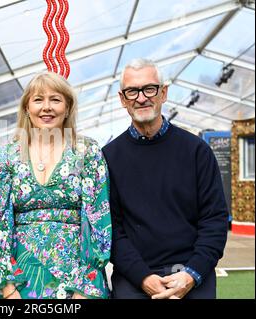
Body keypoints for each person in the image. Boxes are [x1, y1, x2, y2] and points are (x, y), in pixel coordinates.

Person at [102, 58, 228, 299]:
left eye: (149, 88)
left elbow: (214, 220)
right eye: (132, 91)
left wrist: (191, 275)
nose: (141, 98)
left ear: (163, 93)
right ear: (122, 99)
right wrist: (143, 278)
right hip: (135, 275)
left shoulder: (197, 151)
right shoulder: (108, 158)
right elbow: (111, 230)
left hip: (191, 272)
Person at [0, 71, 112, 299]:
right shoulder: (7, 155)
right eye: (38, 100)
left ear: (68, 107)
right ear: (26, 108)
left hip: (77, 278)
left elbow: (98, 220)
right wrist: (8, 287)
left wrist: (84, 288)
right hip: (21, 279)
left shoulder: (87, 151)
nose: (47, 107)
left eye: (55, 99)